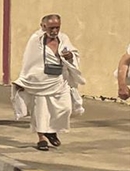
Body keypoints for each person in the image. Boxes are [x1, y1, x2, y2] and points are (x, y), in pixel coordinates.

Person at [12, 14, 84, 150]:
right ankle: (42, 138)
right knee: (40, 110)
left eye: (57, 27)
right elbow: (29, 62)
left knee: (65, 108)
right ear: (43, 26)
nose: (54, 31)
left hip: (59, 80)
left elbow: (74, 54)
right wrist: (24, 80)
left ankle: (51, 131)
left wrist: (70, 56)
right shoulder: (35, 40)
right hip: (40, 80)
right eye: (51, 28)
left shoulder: (64, 38)